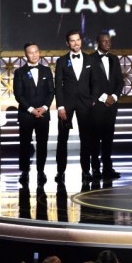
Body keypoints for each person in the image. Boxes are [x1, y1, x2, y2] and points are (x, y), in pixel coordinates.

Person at [54, 29, 94, 184]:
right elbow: (58, 86)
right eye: (72, 40)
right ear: (67, 43)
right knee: (62, 138)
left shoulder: (90, 59)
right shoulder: (61, 61)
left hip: (85, 104)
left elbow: (94, 82)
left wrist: (93, 100)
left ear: (81, 41)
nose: (76, 43)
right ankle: (60, 171)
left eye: (78, 40)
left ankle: (86, 171)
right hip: (66, 104)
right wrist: (60, 107)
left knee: (86, 138)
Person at [13, 42, 55, 186]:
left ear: (39, 52)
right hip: (26, 114)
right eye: (31, 52)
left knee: (42, 143)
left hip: (43, 114)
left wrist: (44, 108)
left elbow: (51, 92)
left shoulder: (46, 70)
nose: (34, 54)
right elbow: (18, 94)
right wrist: (31, 109)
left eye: (36, 51)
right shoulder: (19, 72)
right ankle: (24, 171)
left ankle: (41, 171)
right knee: (25, 143)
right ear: (26, 55)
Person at [89, 32, 124, 180]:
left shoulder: (114, 59)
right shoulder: (90, 59)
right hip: (97, 105)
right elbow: (89, 83)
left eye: (109, 41)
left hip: (111, 105)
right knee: (95, 138)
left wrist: (114, 97)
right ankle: (95, 169)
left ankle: (108, 168)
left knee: (108, 138)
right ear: (98, 42)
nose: (108, 43)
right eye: (104, 41)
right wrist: (104, 98)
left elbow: (120, 81)